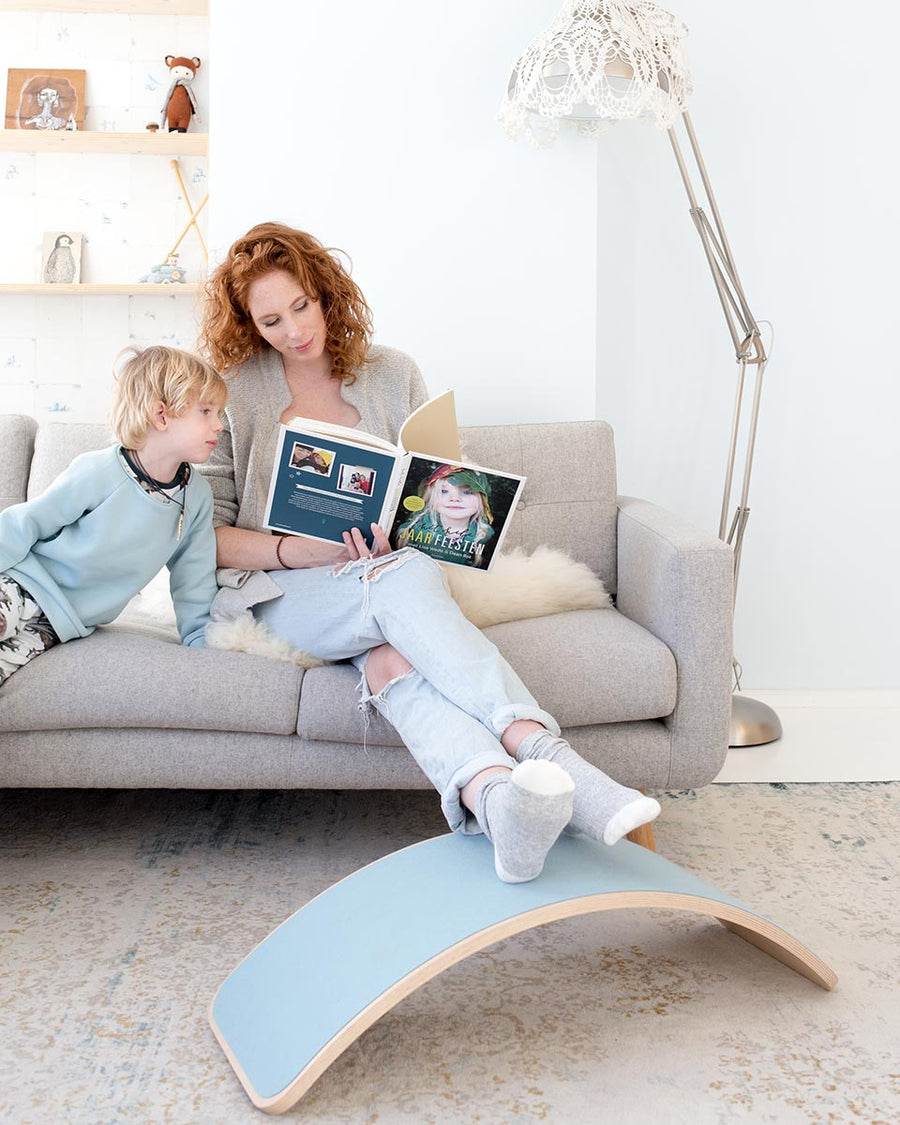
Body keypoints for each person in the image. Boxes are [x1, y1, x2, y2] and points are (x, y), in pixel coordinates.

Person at [198, 221, 660, 883]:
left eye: (302, 306)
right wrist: (296, 549)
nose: (295, 330)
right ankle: (553, 755)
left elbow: (440, 486)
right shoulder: (234, 389)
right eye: (270, 320)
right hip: (283, 591)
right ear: (249, 324)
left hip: (384, 573)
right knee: (401, 578)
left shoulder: (393, 372)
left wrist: (423, 517)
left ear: (324, 291)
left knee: (390, 661)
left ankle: (503, 808)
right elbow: (208, 536)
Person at [0, 345, 227, 687]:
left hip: (61, 624)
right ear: (161, 416)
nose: (219, 425)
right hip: (21, 583)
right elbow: (28, 522)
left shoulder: (196, 497)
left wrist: (200, 643)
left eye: (220, 413)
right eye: (206, 411)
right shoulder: (100, 470)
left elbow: (193, 579)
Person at [396, 463, 495, 568]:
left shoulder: (486, 537)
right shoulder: (411, 531)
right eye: (444, 491)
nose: (454, 498)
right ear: (431, 497)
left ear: (482, 500)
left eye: (467, 492)